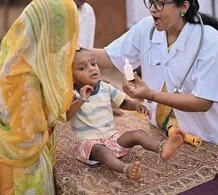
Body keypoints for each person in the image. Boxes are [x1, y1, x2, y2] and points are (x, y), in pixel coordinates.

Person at [89, 0, 218, 154]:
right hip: (168, 133)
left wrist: (151, 94)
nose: (152, 9)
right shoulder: (146, 29)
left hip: (214, 138)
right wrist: (70, 51)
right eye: (150, 1)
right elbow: (108, 56)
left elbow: (203, 102)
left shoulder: (211, 42)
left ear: (183, 7)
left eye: (160, 3)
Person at [0, 0, 79, 195]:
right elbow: (28, 140)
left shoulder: (11, 54)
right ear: (48, 30)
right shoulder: (26, 78)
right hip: (18, 166)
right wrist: (51, 125)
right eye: (61, 31)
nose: (64, 39)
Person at [66, 48, 185, 181]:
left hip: (111, 138)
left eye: (93, 64)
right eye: (82, 68)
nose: (91, 69)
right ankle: (126, 169)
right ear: (70, 75)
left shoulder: (105, 87)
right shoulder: (72, 94)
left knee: (138, 134)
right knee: (103, 152)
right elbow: (66, 116)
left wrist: (136, 105)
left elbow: (122, 103)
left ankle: (162, 147)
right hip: (88, 143)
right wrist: (81, 99)